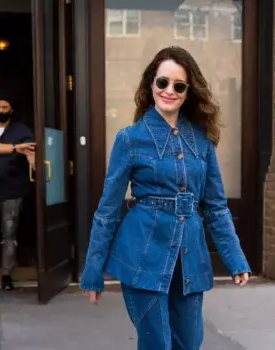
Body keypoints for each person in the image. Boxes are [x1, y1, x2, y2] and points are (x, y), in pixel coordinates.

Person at [81, 46, 251, 349]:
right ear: (151, 85)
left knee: (189, 343)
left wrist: (235, 258)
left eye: (178, 85)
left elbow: (216, 206)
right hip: (141, 254)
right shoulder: (130, 139)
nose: (169, 91)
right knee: (157, 344)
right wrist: (93, 271)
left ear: (188, 92)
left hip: (190, 255)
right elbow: (107, 210)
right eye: (162, 82)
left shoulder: (202, 139)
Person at [0, 90, 35, 291]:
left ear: (11, 109)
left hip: (12, 191)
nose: (1, 110)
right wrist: (16, 148)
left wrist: (33, 162)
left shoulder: (21, 130)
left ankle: (6, 275)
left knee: (9, 235)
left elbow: (33, 152)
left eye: (5, 107)